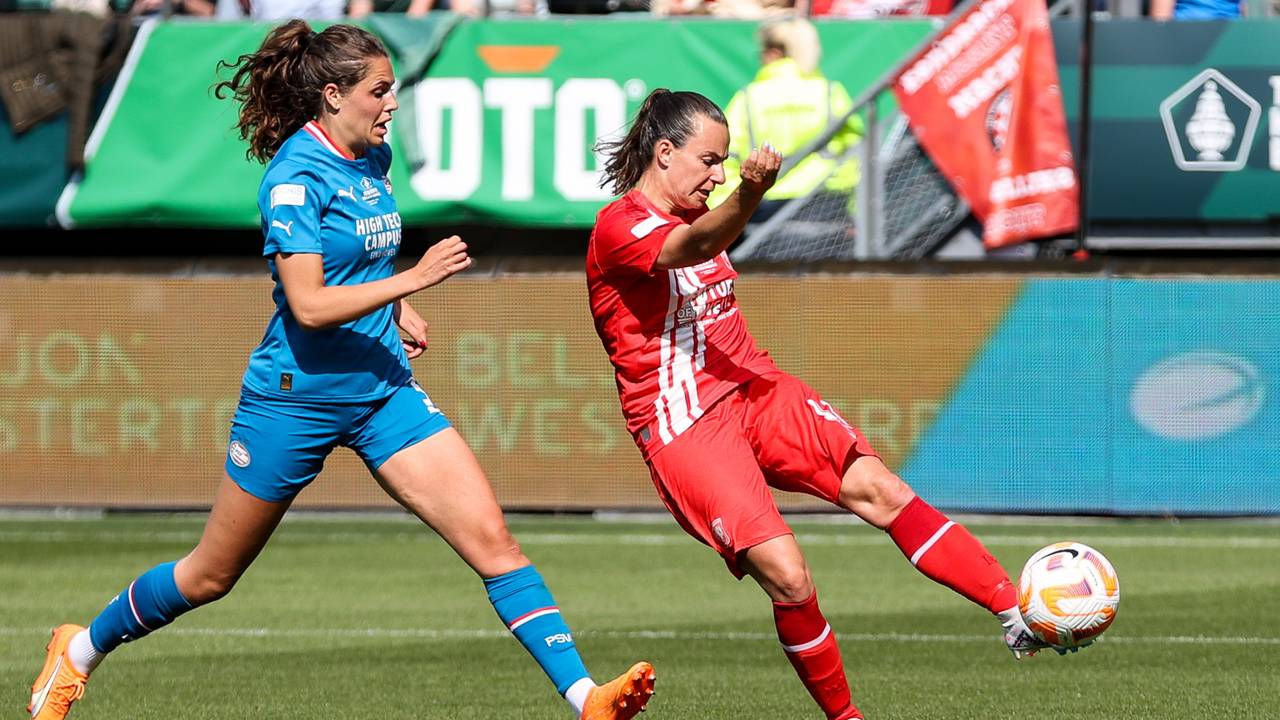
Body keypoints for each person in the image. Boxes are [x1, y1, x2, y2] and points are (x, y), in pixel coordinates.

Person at [26, 21, 655, 720]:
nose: (393, 103)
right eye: (381, 90)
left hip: (381, 388)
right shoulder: (293, 179)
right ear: (333, 94)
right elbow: (310, 304)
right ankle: (78, 650)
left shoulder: (373, 158)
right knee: (209, 576)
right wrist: (410, 282)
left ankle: (584, 699)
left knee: (493, 540)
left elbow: (358, 262)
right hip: (294, 399)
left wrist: (394, 312)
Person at [587, 89, 1048, 720]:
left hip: (755, 384)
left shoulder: (704, 211)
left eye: (726, 163)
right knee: (789, 575)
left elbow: (704, 241)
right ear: (664, 154)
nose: (719, 175)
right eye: (709, 161)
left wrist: (737, 197)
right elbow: (690, 247)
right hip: (684, 421)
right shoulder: (620, 227)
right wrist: (748, 194)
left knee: (881, 490)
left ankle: (1014, 609)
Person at [708, 18, 861, 232]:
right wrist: (855, 211)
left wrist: (725, 218)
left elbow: (727, 159)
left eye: (761, 53)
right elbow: (858, 157)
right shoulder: (829, 92)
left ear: (774, 52)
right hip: (826, 203)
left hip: (764, 207)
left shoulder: (747, 98)